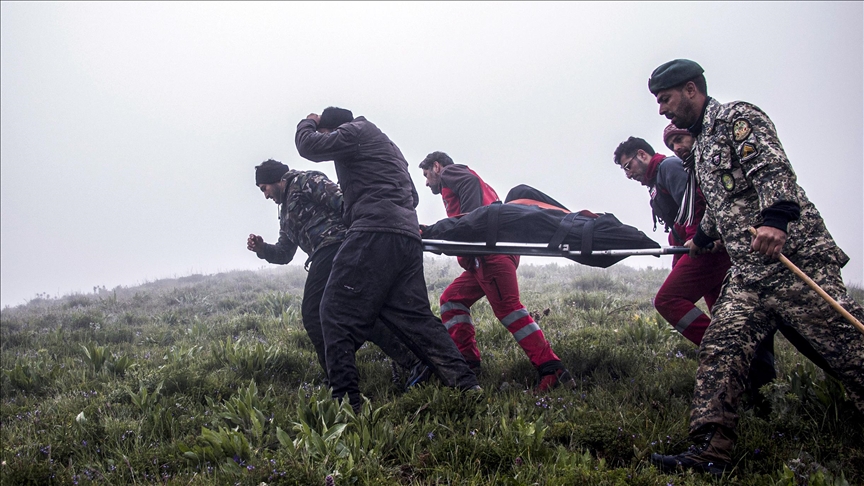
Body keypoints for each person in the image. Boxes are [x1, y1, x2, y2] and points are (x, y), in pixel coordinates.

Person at [646, 59, 864, 476]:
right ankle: (710, 451)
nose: (662, 110)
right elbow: (727, 201)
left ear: (691, 89)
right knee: (721, 348)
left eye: (666, 99)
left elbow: (772, 171)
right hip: (749, 274)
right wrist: (705, 236)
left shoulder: (736, 119)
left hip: (791, 260)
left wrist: (776, 218)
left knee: (846, 349)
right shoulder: (702, 144)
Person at [295, 107, 479, 410]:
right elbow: (413, 196)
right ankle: (466, 384)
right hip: (405, 236)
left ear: (335, 129)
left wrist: (309, 122)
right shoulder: (387, 146)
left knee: (332, 312)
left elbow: (308, 146)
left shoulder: (354, 132)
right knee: (416, 318)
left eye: (329, 136)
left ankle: (345, 403)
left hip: (373, 232)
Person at [247, 159, 430, 388]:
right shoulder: (284, 213)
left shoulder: (306, 181)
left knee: (313, 312)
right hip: (323, 254)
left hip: (338, 247)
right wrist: (263, 249)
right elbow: (285, 253)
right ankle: (415, 361)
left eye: (264, 188)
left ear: (277, 180)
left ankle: (338, 378)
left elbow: (344, 203)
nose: (265, 195)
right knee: (360, 313)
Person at [418, 151, 576, 391]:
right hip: (486, 257)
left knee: (509, 310)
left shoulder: (452, 173)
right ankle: (468, 364)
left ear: (437, 167)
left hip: (490, 256)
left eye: (427, 174)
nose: (427, 182)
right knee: (451, 300)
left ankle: (552, 370)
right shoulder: (469, 185)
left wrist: (469, 222)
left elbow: (470, 212)